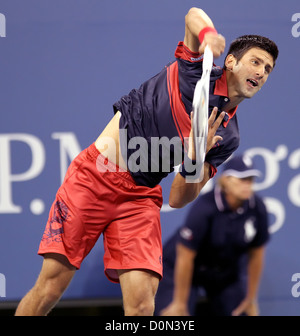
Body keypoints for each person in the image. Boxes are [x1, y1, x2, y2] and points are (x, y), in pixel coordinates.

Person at [15, 8, 278, 316]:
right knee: (50, 287)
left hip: (139, 198)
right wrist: (208, 36)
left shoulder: (228, 136)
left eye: (268, 69)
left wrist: (194, 156)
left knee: (142, 305)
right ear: (231, 62)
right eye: (256, 62)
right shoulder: (193, 71)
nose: (261, 72)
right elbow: (193, 15)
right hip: (94, 177)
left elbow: (179, 197)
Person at [155, 154, 270, 316]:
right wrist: (180, 303)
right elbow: (185, 256)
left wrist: (251, 298)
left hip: (223, 271)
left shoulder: (257, 208)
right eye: (242, 179)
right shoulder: (206, 207)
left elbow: (256, 254)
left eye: (250, 179)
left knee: (242, 311)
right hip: (180, 267)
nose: (247, 185)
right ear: (226, 181)